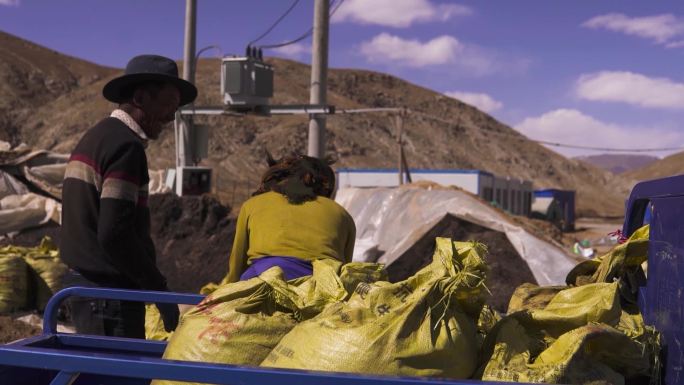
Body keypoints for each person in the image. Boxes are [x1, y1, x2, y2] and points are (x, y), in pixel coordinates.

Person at [59, 54, 197, 338]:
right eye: (169, 104)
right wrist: (159, 290)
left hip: (86, 290)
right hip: (108, 298)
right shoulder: (125, 147)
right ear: (141, 98)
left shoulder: (97, 137)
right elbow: (115, 233)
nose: (172, 116)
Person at [225, 152, 356, 283]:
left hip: (263, 280)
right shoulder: (342, 215)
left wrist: (227, 294)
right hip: (321, 287)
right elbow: (343, 270)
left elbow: (237, 264)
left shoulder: (252, 205)